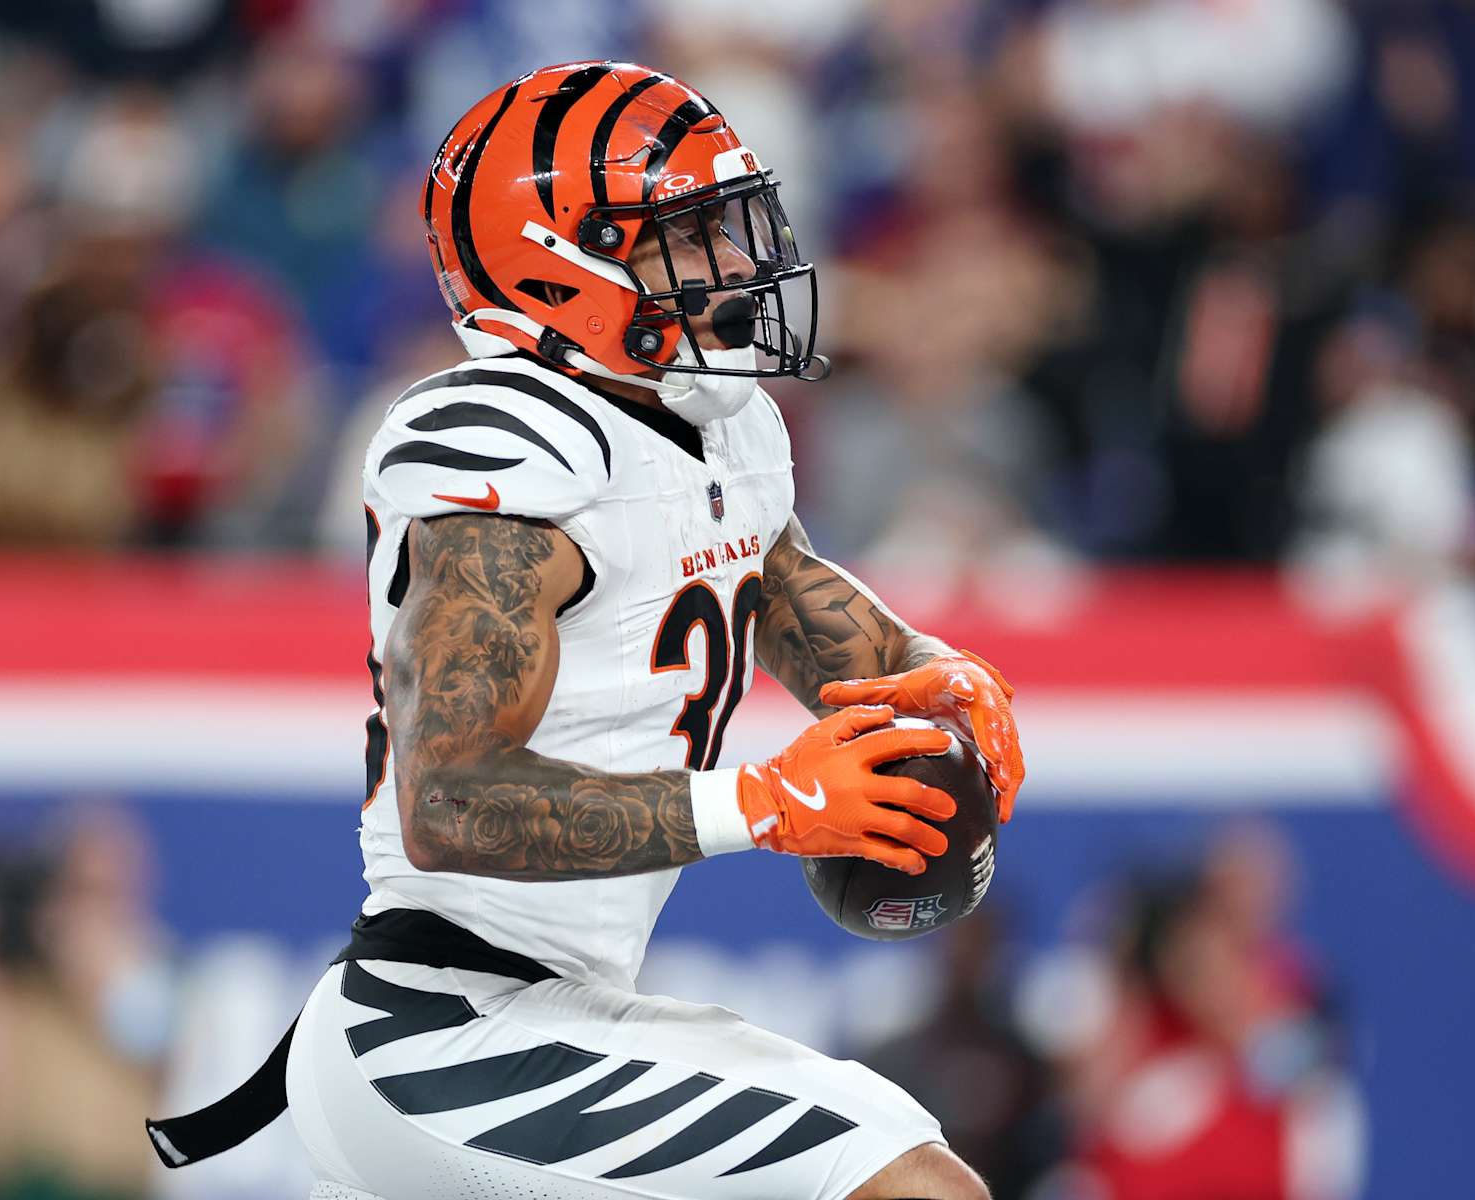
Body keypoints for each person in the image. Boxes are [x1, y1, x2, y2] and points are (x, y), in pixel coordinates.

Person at [146, 61, 1026, 1200]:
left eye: (729, 226)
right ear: (561, 268)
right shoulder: (501, 442)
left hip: (535, 1013)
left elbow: (773, 585)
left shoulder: (719, 428)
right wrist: (763, 802)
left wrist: (933, 675)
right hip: (440, 1030)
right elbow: (452, 801)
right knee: (898, 1176)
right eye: (687, 236)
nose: (736, 265)